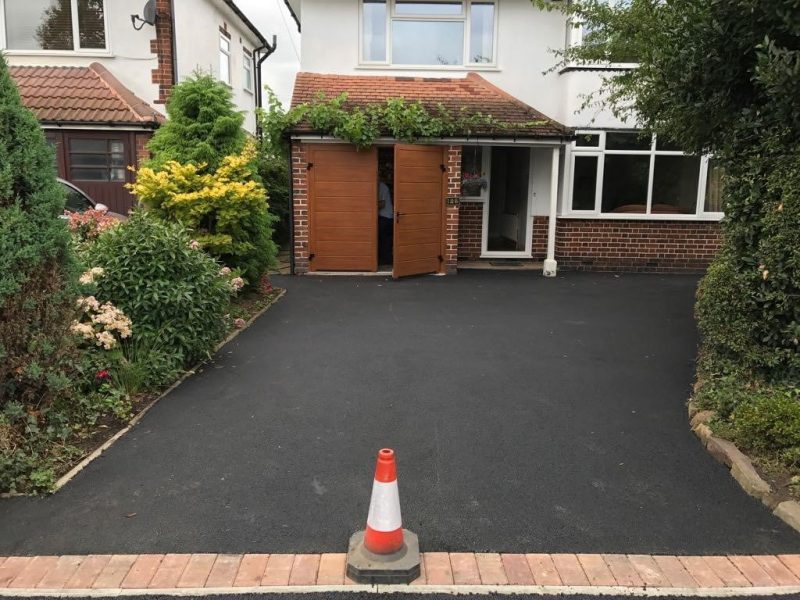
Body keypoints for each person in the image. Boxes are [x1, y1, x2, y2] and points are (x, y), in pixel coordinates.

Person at [378, 177, 393, 265]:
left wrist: (369, 205)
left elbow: (382, 204)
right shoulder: (380, 186)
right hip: (384, 217)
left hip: (386, 217)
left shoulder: (382, 187)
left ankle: (386, 260)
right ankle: (385, 259)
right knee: (384, 239)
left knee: (384, 240)